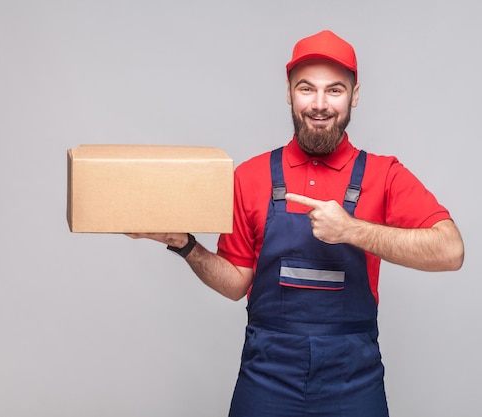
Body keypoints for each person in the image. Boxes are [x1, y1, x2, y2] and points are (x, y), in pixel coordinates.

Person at [129, 29, 464, 417]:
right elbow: (236, 283)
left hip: (352, 379)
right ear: (289, 93)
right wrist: (184, 244)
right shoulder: (250, 176)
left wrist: (352, 230)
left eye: (334, 90)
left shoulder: (384, 174)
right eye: (307, 89)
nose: (319, 104)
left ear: (354, 96)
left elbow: (450, 250)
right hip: (267, 377)